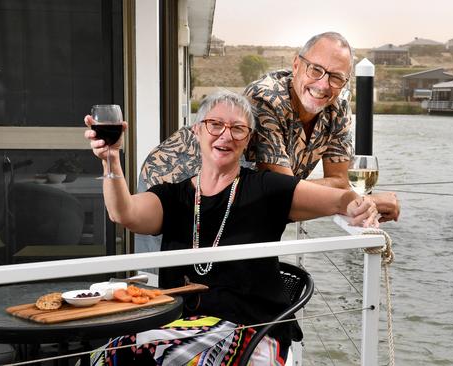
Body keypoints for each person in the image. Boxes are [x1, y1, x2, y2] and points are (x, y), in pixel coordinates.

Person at [84, 90, 379, 365]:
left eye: (238, 128)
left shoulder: (266, 188)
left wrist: (357, 204)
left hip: (252, 328)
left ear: (247, 139)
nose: (226, 135)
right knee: (112, 351)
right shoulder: (174, 197)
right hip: (180, 327)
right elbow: (123, 213)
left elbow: (340, 198)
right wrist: (111, 160)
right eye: (215, 125)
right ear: (197, 131)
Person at [140, 32, 400, 222]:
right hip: (171, 184)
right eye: (315, 70)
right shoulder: (266, 98)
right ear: (296, 65)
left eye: (335, 77)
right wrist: (362, 202)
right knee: (163, 286)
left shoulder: (338, 108)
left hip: (229, 201)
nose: (323, 84)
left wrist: (322, 192)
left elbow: (342, 180)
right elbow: (282, 191)